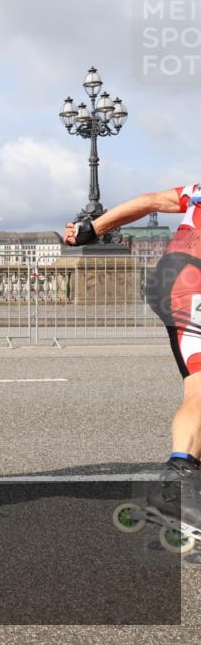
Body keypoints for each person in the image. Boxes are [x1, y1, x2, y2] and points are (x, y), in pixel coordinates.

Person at [66, 183, 201, 526]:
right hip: (193, 283)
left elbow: (149, 201)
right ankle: (177, 486)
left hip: (172, 276)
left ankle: (187, 481)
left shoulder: (197, 188)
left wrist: (91, 229)